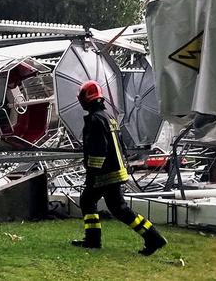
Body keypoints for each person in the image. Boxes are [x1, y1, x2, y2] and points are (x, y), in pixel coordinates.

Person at [71, 80, 167, 256]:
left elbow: (98, 150)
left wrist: (92, 173)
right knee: (116, 208)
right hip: (116, 170)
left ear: (87, 99)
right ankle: (152, 237)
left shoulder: (95, 120)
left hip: (104, 173)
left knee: (95, 202)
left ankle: (95, 240)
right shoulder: (108, 117)